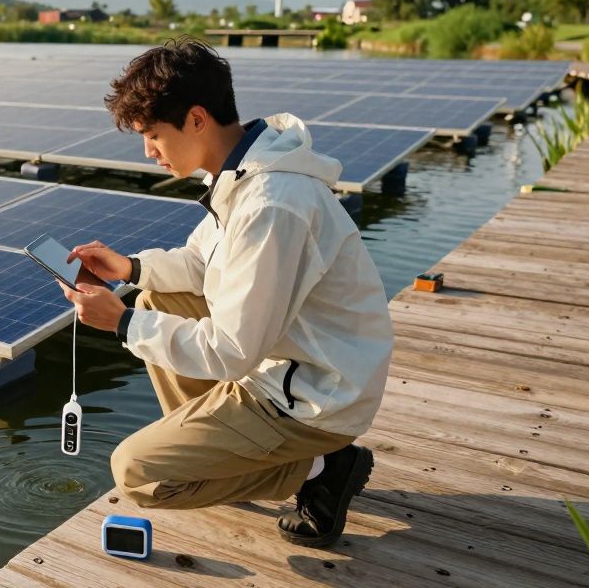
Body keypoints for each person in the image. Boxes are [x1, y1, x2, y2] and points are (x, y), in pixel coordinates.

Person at [63, 36, 393, 548]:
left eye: (153, 134)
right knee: (156, 298)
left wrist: (121, 323)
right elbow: (199, 265)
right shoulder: (243, 174)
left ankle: (321, 468)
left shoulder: (271, 204)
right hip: (291, 364)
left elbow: (233, 351)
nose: (147, 151)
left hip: (316, 399)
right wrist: (128, 268)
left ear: (196, 119)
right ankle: (224, 450)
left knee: (139, 474)